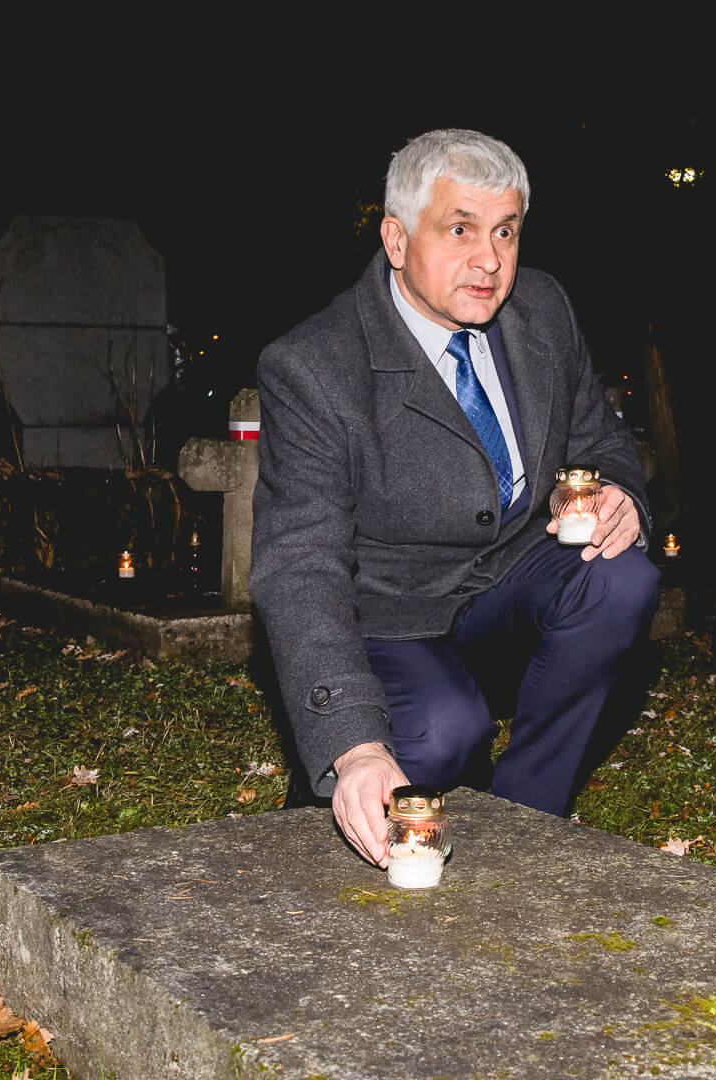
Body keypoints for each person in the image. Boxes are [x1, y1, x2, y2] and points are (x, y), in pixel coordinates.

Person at [250, 129, 658, 870]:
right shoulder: (314, 367)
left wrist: (621, 492)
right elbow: (299, 566)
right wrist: (355, 744)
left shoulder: (543, 310)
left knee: (620, 578)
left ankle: (527, 819)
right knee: (443, 732)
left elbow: (598, 437)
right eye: (461, 229)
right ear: (397, 240)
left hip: (508, 588)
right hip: (389, 617)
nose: (490, 260)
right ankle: (344, 777)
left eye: (506, 231)